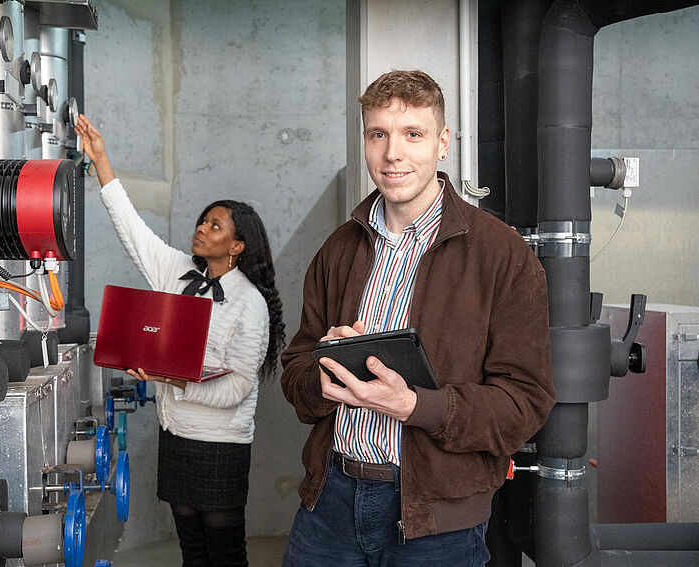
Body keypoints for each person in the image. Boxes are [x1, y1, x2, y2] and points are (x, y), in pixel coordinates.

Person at [280, 70, 555, 566]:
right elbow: (294, 372)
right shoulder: (338, 249)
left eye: (412, 134)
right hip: (329, 504)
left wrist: (414, 406)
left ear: (443, 143)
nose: (393, 154)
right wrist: (324, 370)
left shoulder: (501, 254)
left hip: (437, 525)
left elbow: (524, 405)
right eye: (377, 134)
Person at [75, 115, 285, 567]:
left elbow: (238, 389)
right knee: (191, 551)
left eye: (215, 226)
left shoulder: (251, 304)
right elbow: (129, 227)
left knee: (225, 554)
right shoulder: (176, 272)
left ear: (237, 246)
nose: (202, 229)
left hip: (221, 446)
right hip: (177, 437)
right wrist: (101, 161)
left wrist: (175, 379)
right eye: (203, 221)